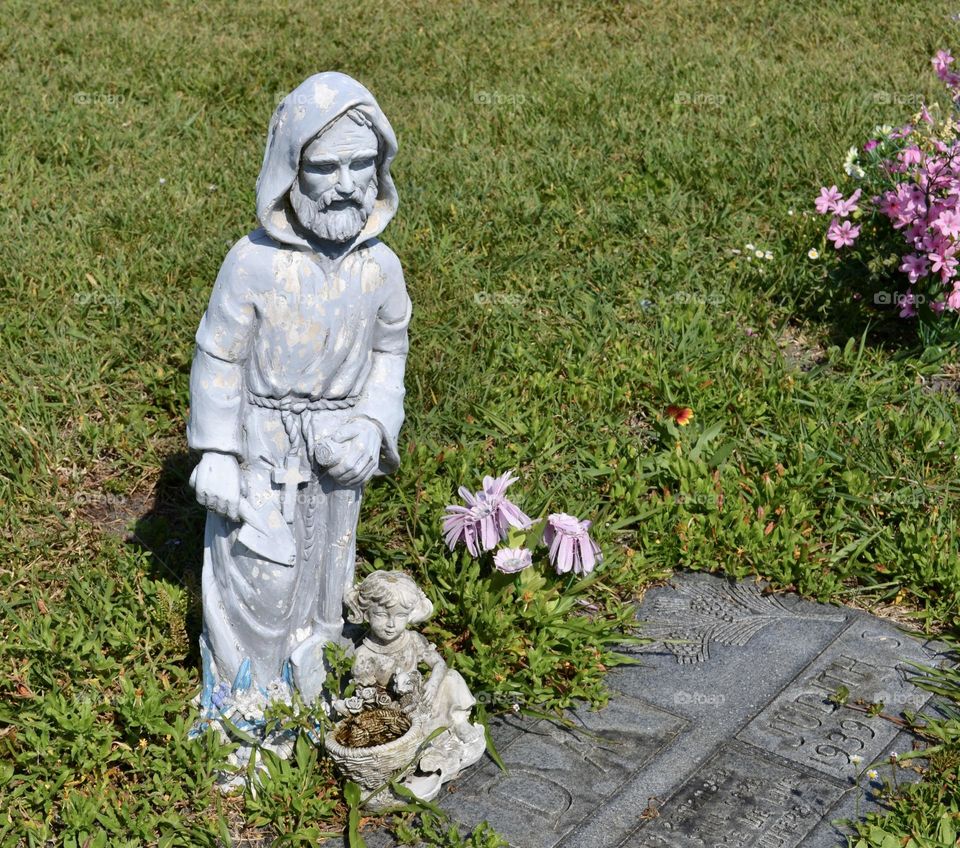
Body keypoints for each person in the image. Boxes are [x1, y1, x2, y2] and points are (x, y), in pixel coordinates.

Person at [187, 73, 410, 708]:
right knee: (260, 580)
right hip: (264, 443)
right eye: (325, 167)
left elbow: (390, 351)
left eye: (362, 164)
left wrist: (371, 427)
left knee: (326, 579)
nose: (346, 184)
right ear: (291, 169)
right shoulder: (252, 262)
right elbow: (219, 354)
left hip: (339, 448)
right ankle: (247, 712)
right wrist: (217, 453)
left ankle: (316, 696)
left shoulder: (380, 266)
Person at [344, 571, 486, 755]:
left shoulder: (412, 639)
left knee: (451, 676)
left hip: (425, 696)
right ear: (366, 613)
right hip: (396, 710)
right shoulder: (364, 655)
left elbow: (438, 664)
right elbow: (366, 698)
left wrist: (433, 684)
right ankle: (427, 740)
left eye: (400, 616)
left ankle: (458, 721)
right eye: (381, 614)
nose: (391, 624)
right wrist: (396, 692)